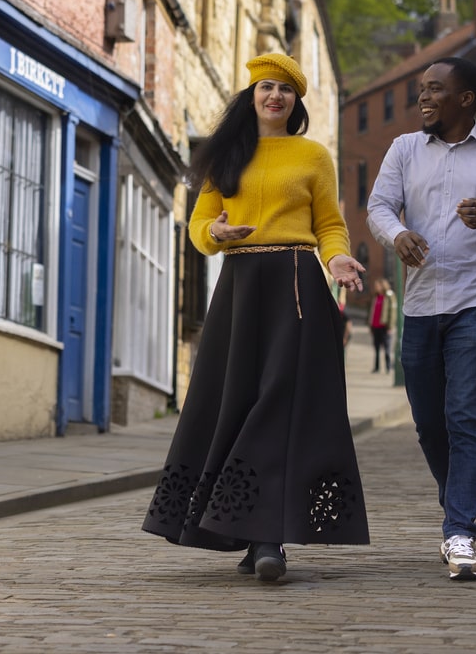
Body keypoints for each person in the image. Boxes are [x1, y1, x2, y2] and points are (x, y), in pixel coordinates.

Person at [141, 53, 369, 582]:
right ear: (252, 96)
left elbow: (329, 224)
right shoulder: (226, 154)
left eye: (286, 90)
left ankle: (269, 539)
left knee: (279, 404)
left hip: (296, 287)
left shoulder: (313, 156)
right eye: (266, 87)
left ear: (296, 101)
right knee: (232, 405)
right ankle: (246, 531)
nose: (275, 96)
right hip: (240, 289)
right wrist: (214, 235)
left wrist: (336, 259)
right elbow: (199, 224)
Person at [367, 57, 476, 581]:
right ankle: (464, 506)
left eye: (435, 91)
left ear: (466, 99)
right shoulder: (403, 150)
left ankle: (458, 534)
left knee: (466, 417)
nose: (423, 99)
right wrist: (395, 235)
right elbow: (379, 207)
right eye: (421, 90)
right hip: (420, 305)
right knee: (428, 424)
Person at [368, 278, 396, 373]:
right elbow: (372, 312)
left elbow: (392, 312)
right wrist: (370, 325)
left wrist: (390, 326)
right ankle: (376, 367)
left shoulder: (389, 297)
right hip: (375, 326)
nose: (376, 288)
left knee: (387, 349)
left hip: (385, 327)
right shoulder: (375, 297)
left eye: (377, 286)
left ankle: (388, 367)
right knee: (376, 349)